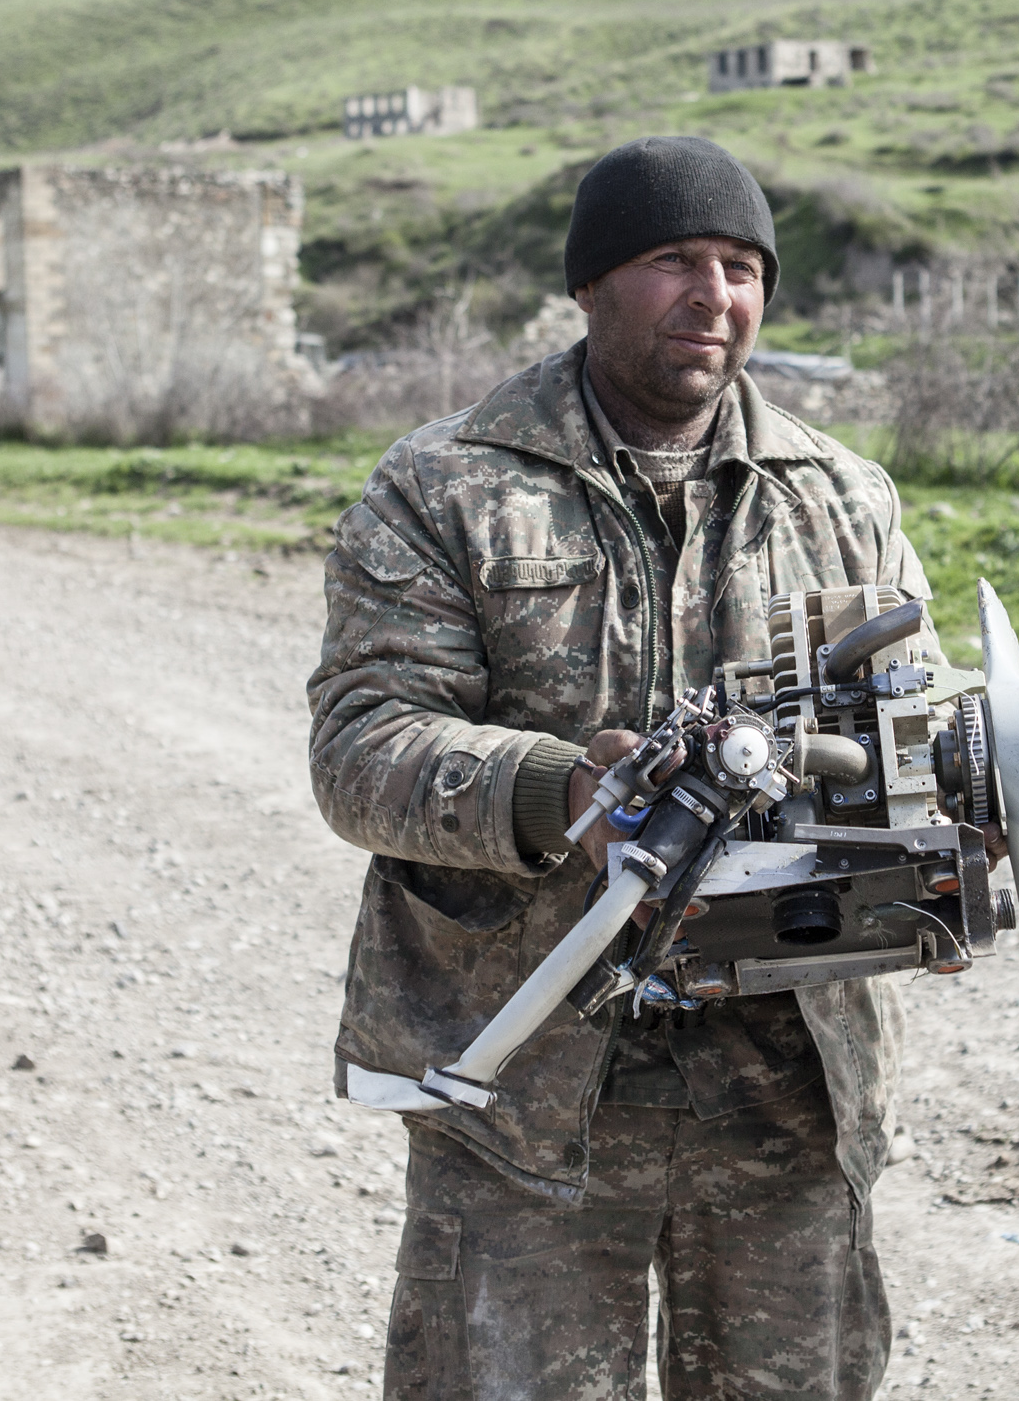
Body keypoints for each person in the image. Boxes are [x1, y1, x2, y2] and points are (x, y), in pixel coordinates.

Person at [306, 136, 933, 1399]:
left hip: (784, 1087)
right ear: (589, 285)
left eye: (742, 266)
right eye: (674, 261)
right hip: (527, 1081)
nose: (716, 295)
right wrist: (562, 794)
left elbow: (913, 730)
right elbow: (362, 744)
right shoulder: (450, 487)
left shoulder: (839, 494)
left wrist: (973, 843)